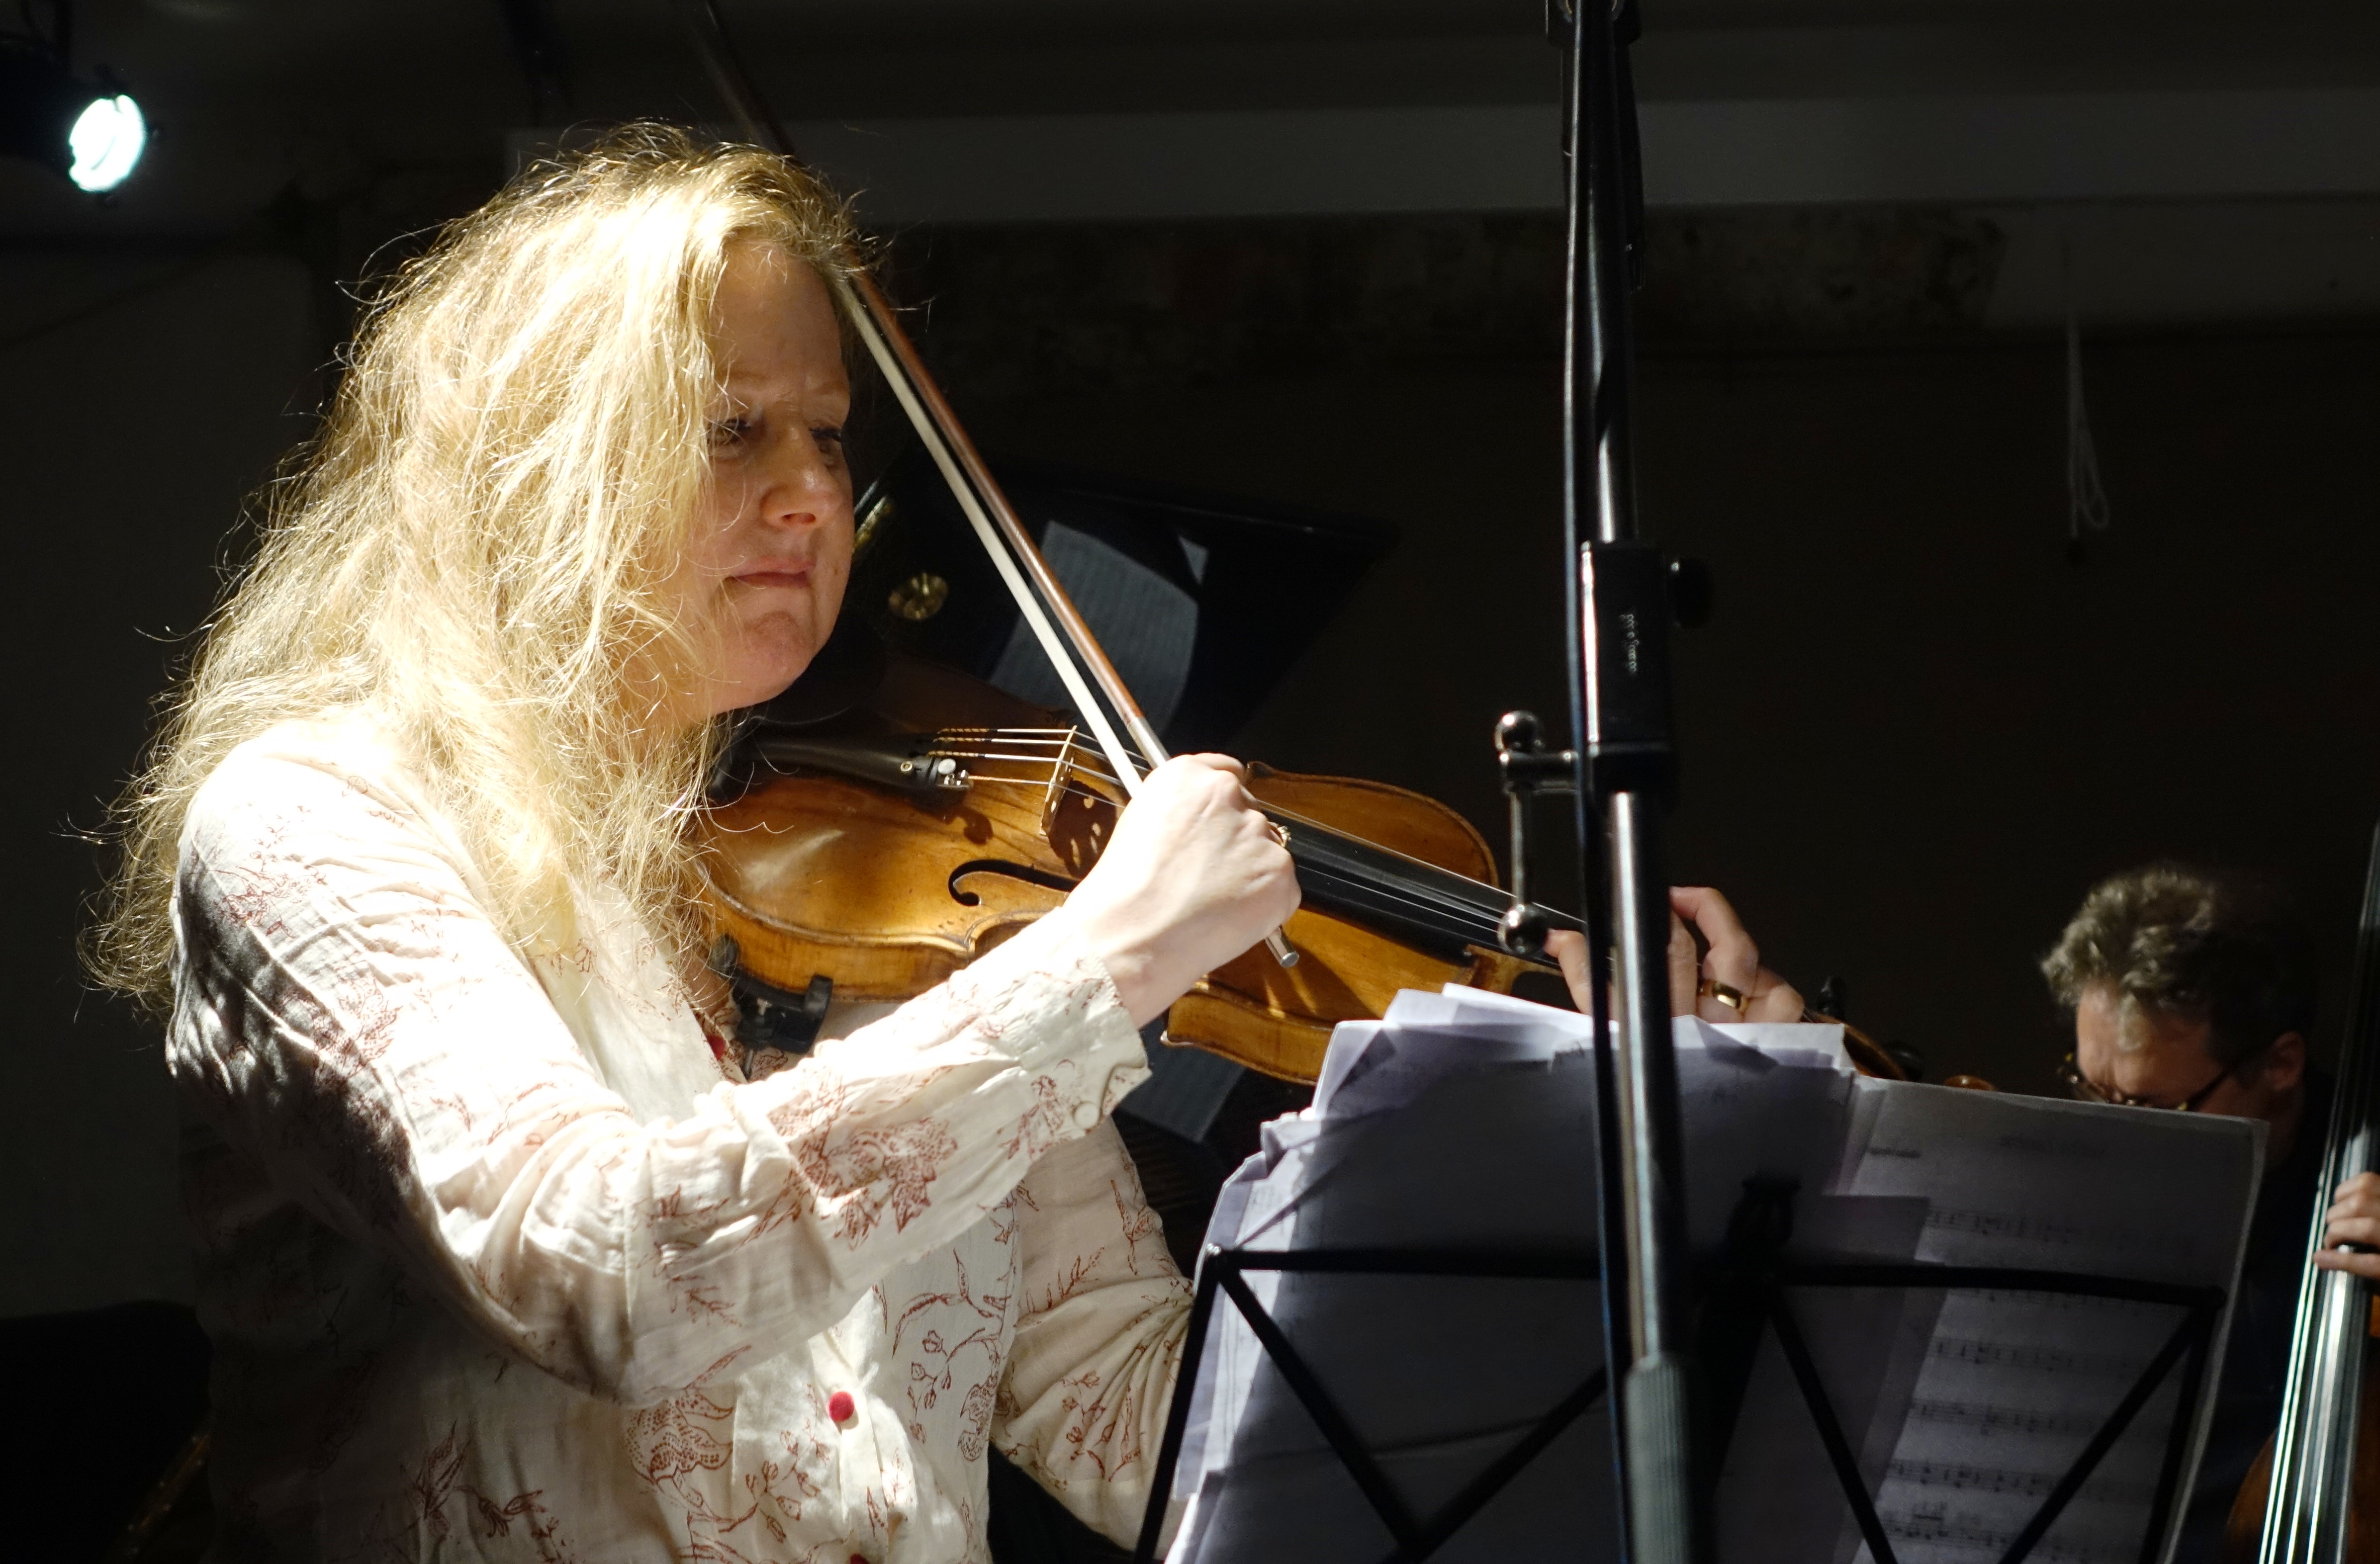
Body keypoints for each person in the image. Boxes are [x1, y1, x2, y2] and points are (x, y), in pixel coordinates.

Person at [90, 127, 1797, 1563]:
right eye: (727, 429)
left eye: (827, 435)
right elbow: (599, 1267)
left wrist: (1628, 1172)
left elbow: (1150, 1422)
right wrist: (1103, 964)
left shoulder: (869, 898)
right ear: (535, 468)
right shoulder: (318, 823)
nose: (812, 496)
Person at [2041, 862, 2380, 1563]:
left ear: (2280, 1064)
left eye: (2153, 1108)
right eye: (2091, 1088)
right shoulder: (2071, 1196)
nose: (2117, 1135)